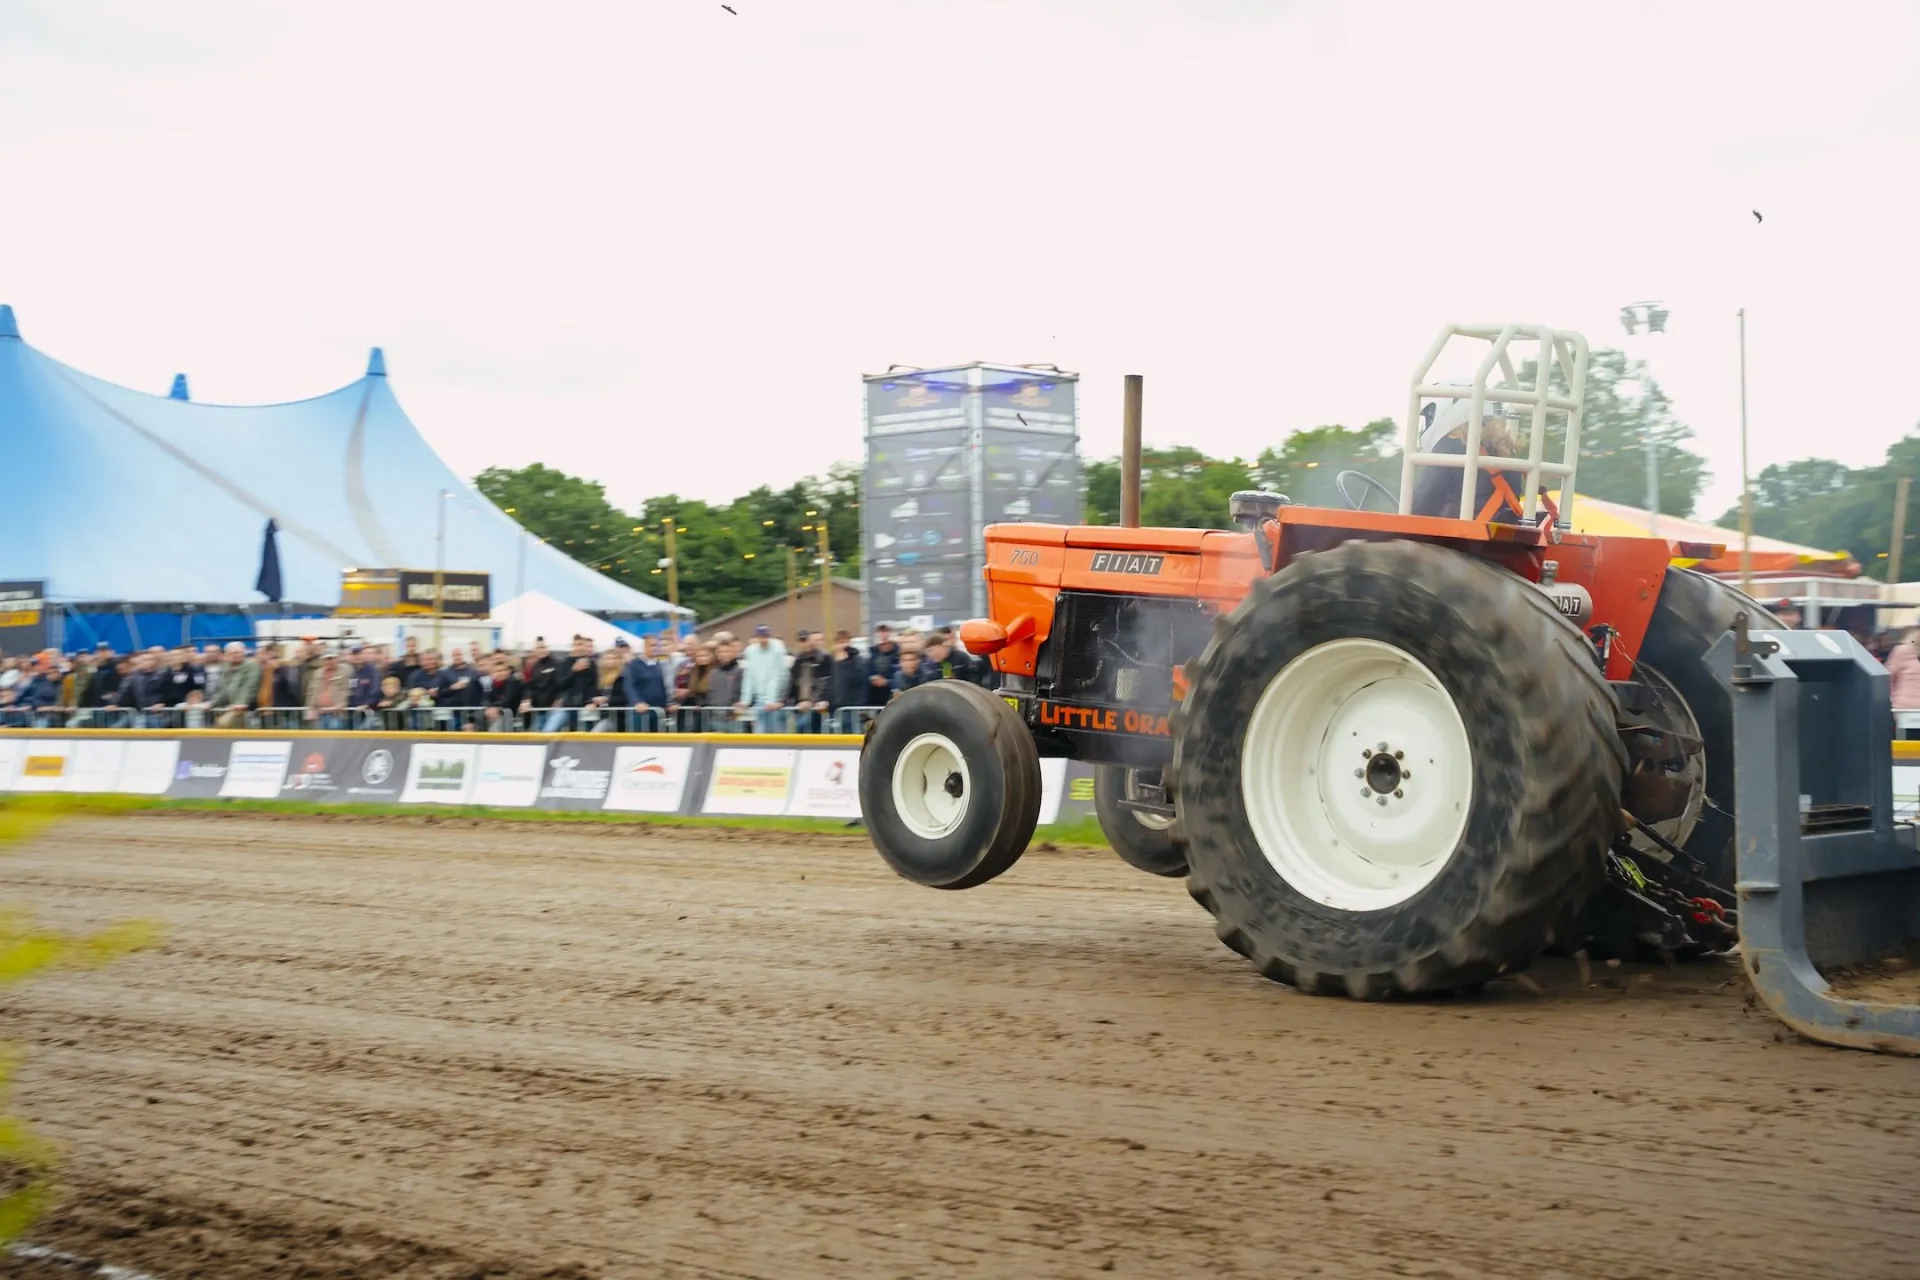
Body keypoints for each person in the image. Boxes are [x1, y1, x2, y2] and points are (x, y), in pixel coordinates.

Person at [741, 625, 790, 732]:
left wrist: (780, 700)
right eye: (760, 637)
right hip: (759, 699)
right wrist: (745, 700)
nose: (763, 640)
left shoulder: (779, 650)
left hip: (776, 700)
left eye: (765, 636)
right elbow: (748, 676)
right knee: (759, 732)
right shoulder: (750, 651)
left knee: (777, 732)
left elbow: (783, 676)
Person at [784, 632, 834, 732]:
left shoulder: (824, 659)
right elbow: (792, 683)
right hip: (800, 705)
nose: (804, 644)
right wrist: (786, 701)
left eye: (806, 640)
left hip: (817, 706)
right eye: (801, 641)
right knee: (800, 730)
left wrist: (812, 701)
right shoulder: (798, 661)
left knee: (808, 728)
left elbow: (825, 682)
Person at [622, 636, 670, 732]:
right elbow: (629, 685)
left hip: (659, 709)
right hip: (640, 710)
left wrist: (669, 702)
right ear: (644, 646)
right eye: (652, 645)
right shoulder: (634, 664)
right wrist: (637, 701)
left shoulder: (661, 664)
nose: (655, 648)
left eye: (657, 646)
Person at [210, 641, 262, 729]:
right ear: (226, 655)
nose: (235, 655)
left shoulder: (251, 665)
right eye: (231, 653)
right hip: (231, 708)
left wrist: (241, 703)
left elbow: (249, 687)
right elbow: (223, 690)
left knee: (224, 723)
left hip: (247, 709)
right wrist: (211, 703)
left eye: (238, 652)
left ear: (244, 653)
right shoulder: (225, 667)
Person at [703, 635, 747, 730]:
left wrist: (735, 710)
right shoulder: (713, 673)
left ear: (733, 653)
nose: (723, 655)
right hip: (716, 718)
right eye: (720, 652)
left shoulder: (741, 671)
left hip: (735, 718)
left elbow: (743, 693)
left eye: (726, 651)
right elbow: (710, 693)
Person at [305, 650, 351, 730]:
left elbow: (348, 691)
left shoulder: (345, 672)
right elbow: (311, 692)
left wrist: (342, 704)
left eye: (332, 658)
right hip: (319, 713)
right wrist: (310, 708)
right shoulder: (317, 673)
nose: (330, 661)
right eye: (327, 659)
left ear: (337, 658)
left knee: (335, 735)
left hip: (336, 714)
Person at [866, 624, 902, 703]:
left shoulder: (900, 654)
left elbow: (903, 677)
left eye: (886, 640)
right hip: (873, 695)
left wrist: (887, 682)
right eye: (881, 641)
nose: (884, 645)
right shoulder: (871, 655)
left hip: (893, 695)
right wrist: (871, 678)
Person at [1887, 630, 1920, 710]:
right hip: (1908, 707)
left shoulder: (1902, 650)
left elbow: (1889, 677)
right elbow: (1888, 677)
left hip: (1906, 706)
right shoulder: (1905, 650)